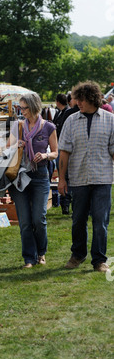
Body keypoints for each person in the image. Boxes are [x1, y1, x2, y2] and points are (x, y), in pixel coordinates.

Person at [58, 81, 114, 272]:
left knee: (101, 222)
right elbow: (64, 151)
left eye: (80, 99)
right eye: (76, 99)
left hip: (103, 179)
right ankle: (77, 255)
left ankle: (99, 260)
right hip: (79, 178)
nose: (77, 103)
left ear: (91, 99)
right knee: (78, 220)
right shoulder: (71, 121)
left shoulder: (110, 120)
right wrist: (62, 179)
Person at [7, 92, 58, 268]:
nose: (22, 111)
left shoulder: (48, 127)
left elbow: (55, 152)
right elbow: (7, 148)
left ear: (34, 107)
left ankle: (41, 253)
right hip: (20, 176)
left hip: (40, 175)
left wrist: (45, 154)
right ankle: (29, 258)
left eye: (24, 108)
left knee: (39, 218)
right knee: (25, 222)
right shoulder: (19, 126)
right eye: (20, 108)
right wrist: (17, 144)